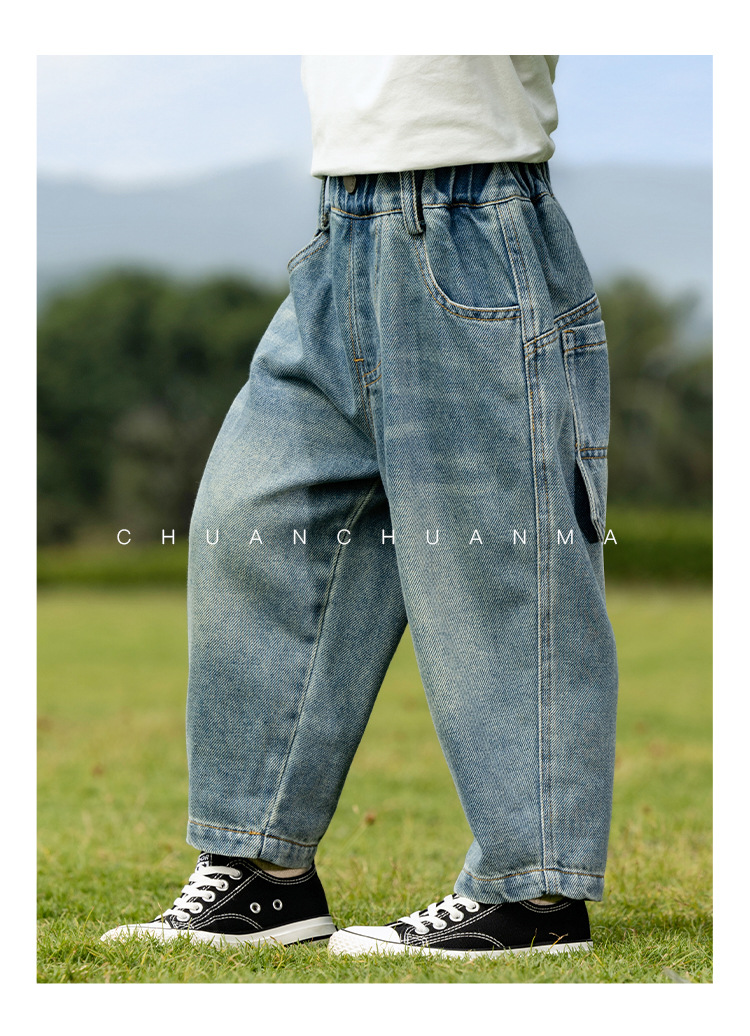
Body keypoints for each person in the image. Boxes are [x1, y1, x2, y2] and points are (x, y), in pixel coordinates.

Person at [102, 55, 618, 958]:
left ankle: (532, 896)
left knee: (496, 566)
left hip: (471, 223)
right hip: (341, 232)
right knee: (256, 523)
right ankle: (262, 877)